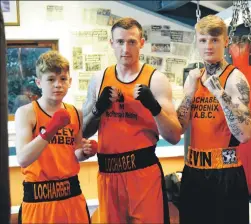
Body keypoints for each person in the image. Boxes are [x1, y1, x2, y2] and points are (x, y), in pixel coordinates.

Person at [82, 17, 182, 223]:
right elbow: (83, 131)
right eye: (119, 42)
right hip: (108, 175)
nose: (125, 48)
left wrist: (154, 107)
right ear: (111, 43)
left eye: (132, 42)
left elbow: (174, 135)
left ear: (142, 43)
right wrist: (97, 109)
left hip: (142, 174)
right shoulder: (99, 79)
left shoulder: (155, 79)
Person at [176, 15, 251, 224]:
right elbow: (178, 129)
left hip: (225, 175)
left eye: (214, 40)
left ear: (226, 42)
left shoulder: (234, 78)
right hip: (193, 173)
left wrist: (220, 94)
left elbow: (245, 134)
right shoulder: (193, 78)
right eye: (203, 40)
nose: (208, 46)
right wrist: (189, 94)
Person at [15, 50, 97, 223]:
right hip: (39, 199)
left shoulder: (76, 113)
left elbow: (75, 152)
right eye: (51, 79)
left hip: (71, 196)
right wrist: (51, 129)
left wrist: (85, 152)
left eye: (63, 79)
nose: (58, 84)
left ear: (70, 82)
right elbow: (22, 159)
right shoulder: (27, 113)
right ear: (39, 82)